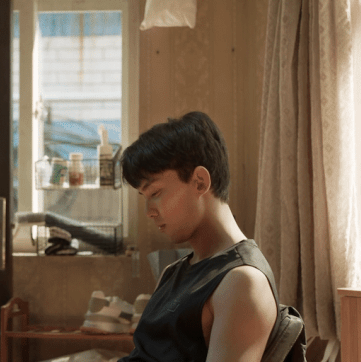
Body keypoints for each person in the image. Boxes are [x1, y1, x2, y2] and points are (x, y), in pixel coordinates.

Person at [118, 111, 277, 361]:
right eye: (144, 197)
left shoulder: (242, 282)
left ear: (200, 182)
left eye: (155, 193)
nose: (149, 212)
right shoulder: (173, 272)